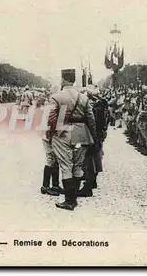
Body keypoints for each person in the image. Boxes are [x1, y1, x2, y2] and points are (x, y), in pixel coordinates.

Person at [47, 69, 96, 211]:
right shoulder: (84, 98)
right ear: (74, 80)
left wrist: (53, 133)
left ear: (63, 80)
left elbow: (51, 118)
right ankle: (74, 198)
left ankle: (70, 200)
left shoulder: (56, 97)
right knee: (78, 166)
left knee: (66, 165)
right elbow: (91, 119)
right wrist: (93, 137)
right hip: (81, 132)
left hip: (63, 132)